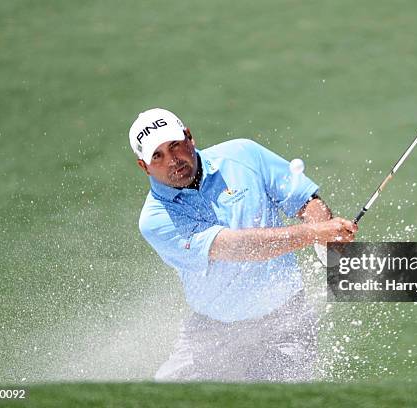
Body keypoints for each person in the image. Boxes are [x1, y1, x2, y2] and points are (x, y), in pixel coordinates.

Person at [129, 108, 357, 381]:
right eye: (158, 155)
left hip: (287, 322)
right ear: (144, 166)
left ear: (189, 137)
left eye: (175, 145)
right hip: (212, 332)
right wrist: (315, 232)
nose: (172, 160)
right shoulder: (155, 219)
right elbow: (236, 247)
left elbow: (305, 200)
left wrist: (326, 234)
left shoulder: (243, 154)